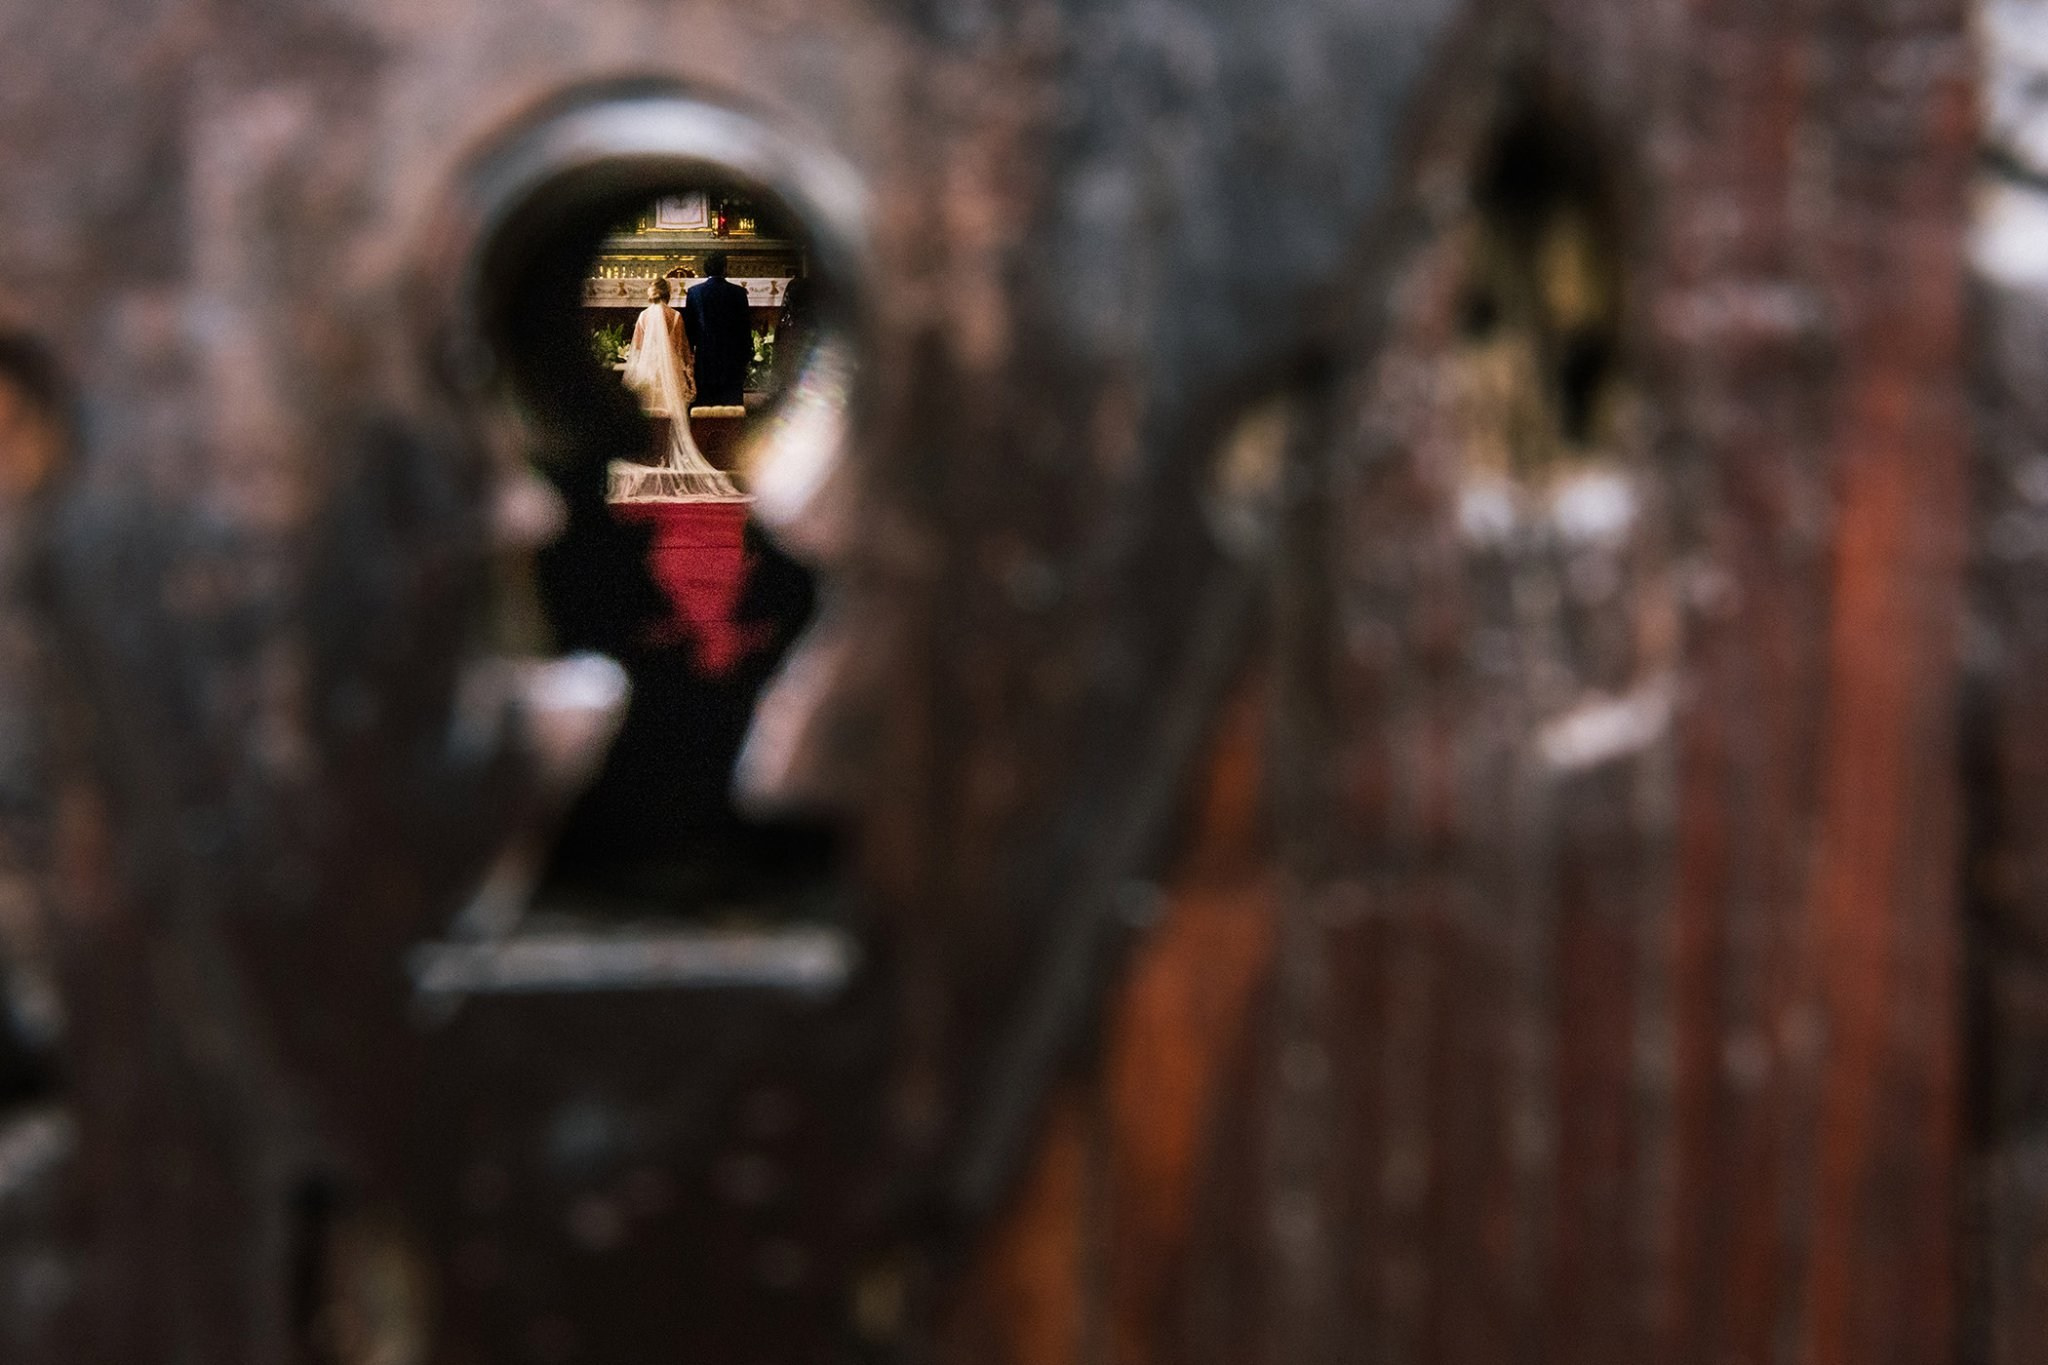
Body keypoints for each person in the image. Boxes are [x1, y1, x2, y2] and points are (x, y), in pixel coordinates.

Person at [612, 278, 738, 499]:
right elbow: (682, 352)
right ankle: (669, 457)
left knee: (650, 413)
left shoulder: (643, 316)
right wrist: (689, 376)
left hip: (648, 377)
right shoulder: (676, 317)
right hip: (669, 376)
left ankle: (651, 455)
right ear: (667, 294)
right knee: (673, 412)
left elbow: (638, 350)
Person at [682, 251, 754, 407]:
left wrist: (691, 354)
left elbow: (690, 329)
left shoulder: (694, 292)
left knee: (706, 403)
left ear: (705, 269)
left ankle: (704, 430)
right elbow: (744, 328)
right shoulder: (738, 292)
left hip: (705, 357)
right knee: (731, 402)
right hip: (732, 357)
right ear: (724, 269)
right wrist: (746, 356)